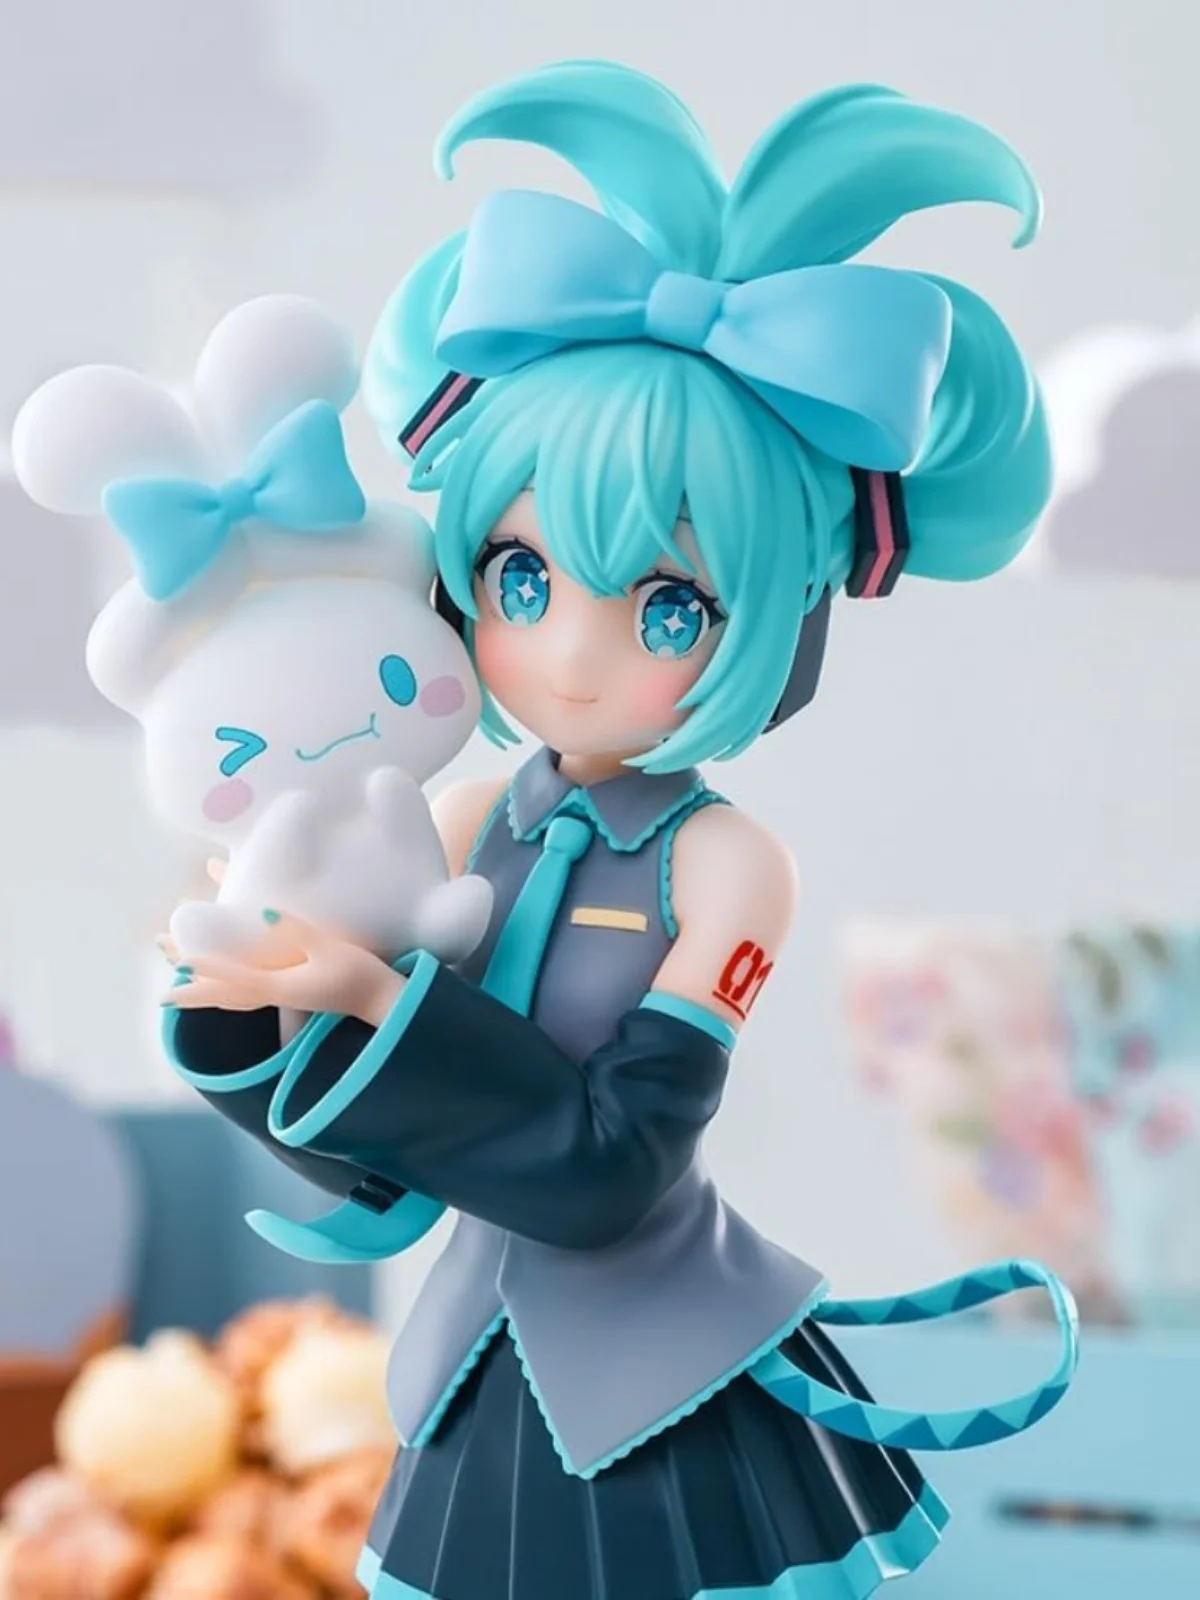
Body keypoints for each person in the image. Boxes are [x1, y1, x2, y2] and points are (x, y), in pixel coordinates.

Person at [164, 61, 1074, 1600]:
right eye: (521, 580)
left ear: (781, 614)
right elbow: (385, 1156)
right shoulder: (461, 811)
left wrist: (376, 995)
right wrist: (253, 1001)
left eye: (668, 606)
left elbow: (611, 1166)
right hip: (472, 1360)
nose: (572, 656)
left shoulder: (724, 865)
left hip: (672, 1383)